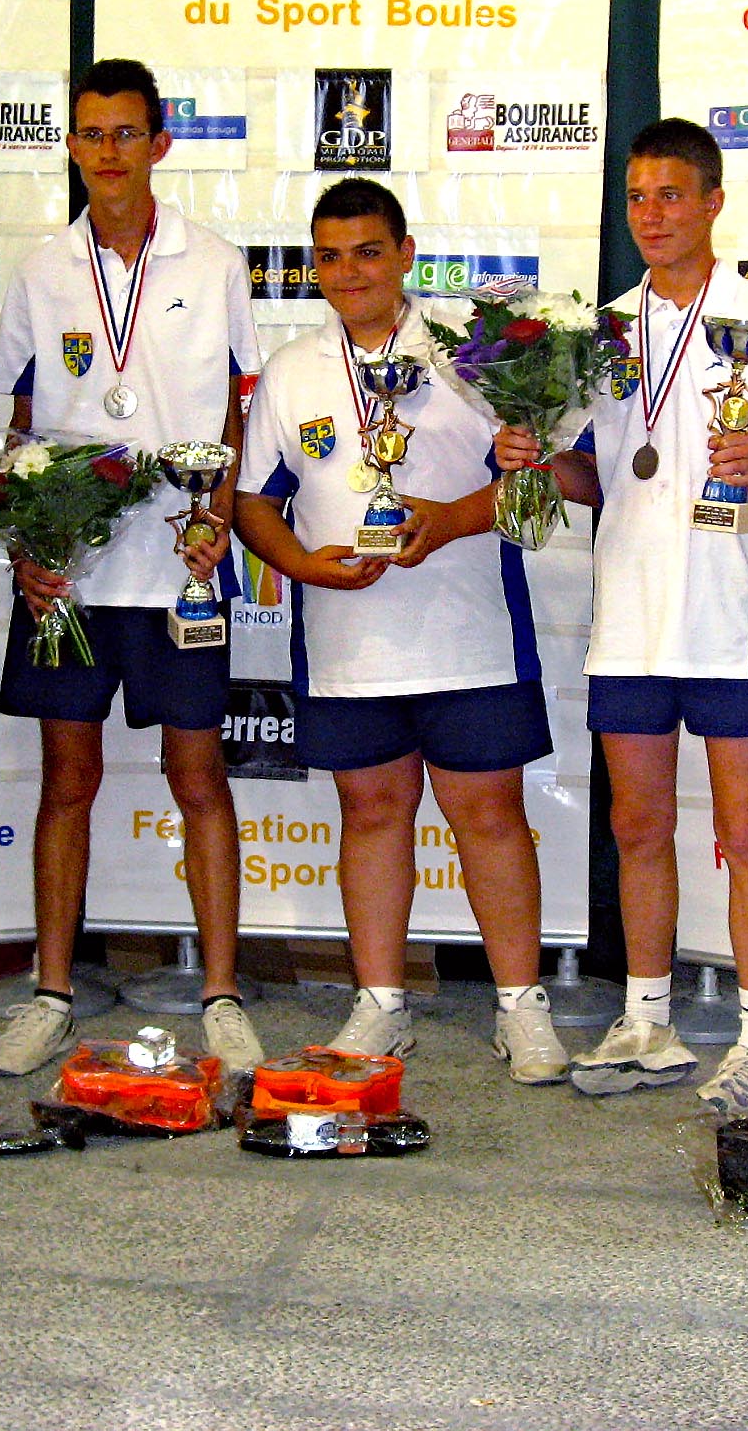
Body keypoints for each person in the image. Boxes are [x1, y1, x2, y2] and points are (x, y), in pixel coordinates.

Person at [498, 118, 748, 1111]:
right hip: (629, 618)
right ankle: (646, 1017)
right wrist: (536, 460)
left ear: (713, 202)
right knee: (637, 824)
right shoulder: (603, 330)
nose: (651, 215)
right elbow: (598, 477)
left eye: (671, 195)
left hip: (729, 616)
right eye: (637, 197)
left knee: (745, 831)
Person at [233, 177, 569, 1083]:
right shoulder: (291, 370)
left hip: (470, 632)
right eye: (330, 257)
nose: (350, 273)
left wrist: (449, 521)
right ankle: (380, 1001)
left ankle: (520, 1004)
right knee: (372, 815)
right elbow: (254, 502)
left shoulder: (476, 356)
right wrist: (301, 565)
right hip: (348, 639)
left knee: (488, 817)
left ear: (407, 255)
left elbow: (537, 482)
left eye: (369, 252)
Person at [0, 58, 263, 1078]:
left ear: (159, 143)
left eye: (126, 133)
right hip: (73, 574)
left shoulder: (214, 262)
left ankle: (221, 995)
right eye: (91, 134)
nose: (109, 152)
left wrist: (218, 514)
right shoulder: (40, 269)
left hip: (178, 564)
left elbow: (240, 403)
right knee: (68, 778)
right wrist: (27, 544)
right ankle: (52, 993)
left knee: (199, 777)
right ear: (71, 146)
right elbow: (14, 418)